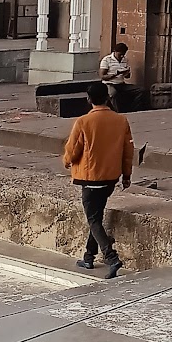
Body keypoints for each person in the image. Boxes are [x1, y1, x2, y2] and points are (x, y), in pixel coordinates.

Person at [62, 80, 134, 277]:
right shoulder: (121, 121)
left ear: (88, 99)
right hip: (110, 178)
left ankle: (111, 257)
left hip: (90, 178)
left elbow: (72, 151)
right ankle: (88, 257)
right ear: (108, 98)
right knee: (97, 216)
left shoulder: (83, 122)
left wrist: (67, 161)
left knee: (93, 220)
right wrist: (126, 175)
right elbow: (128, 152)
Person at [99, 41, 132, 110]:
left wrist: (126, 73)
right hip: (109, 84)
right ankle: (117, 111)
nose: (122, 56)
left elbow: (128, 77)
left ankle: (134, 109)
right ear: (115, 52)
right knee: (114, 94)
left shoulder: (125, 60)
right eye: (120, 54)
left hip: (121, 83)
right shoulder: (106, 60)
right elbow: (102, 76)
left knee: (140, 90)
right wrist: (115, 74)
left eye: (123, 54)